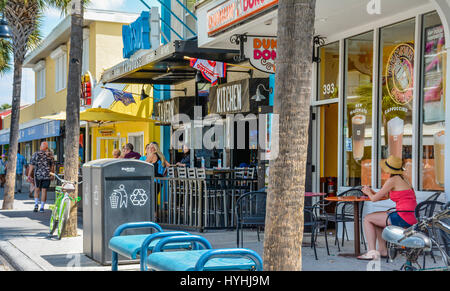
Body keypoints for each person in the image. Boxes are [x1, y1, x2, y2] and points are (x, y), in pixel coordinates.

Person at [358, 155, 417, 260]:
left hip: (403, 216)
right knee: (375, 220)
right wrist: (371, 192)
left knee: (368, 218)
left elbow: (374, 199)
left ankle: (371, 252)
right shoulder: (403, 178)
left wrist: (367, 192)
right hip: (410, 215)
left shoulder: (392, 180)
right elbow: (384, 195)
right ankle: (382, 250)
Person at [28, 142, 55, 213]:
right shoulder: (50, 155)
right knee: (44, 191)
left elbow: (31, 165)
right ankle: (42, 207)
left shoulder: (35, 154)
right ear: (47, 147)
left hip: (38, 175)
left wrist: (29, 175)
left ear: (40, 147)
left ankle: (36, 205)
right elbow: (52, 166)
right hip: (47, 176)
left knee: (37, 190)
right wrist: (52, 175)